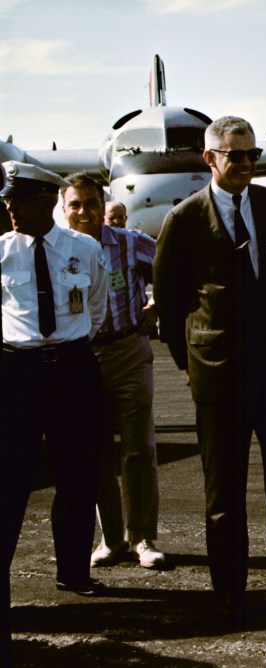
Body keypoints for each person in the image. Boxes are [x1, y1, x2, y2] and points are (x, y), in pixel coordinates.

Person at [153, 116, 266, 623]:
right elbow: (170, 301)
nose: (246, 164)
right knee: (224, 497)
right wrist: (198, 365)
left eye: (253, 156)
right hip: (220, 377)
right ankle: (230, 598)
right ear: (210, 159)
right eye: (235, 156)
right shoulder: (183, 219)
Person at [1, 161, 108, 663]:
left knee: (79, 470)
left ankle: (74, 571)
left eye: (16, 200)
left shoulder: (83, 248)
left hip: (72, 366)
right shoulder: (1, 251)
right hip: (17, 371)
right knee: (11, 477)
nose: (8, 208)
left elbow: (98, 305)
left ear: (45, 200)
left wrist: (70, 346)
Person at [60, 173, 165, 571]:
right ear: (64, 208)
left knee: (138, 448)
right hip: (79, 355)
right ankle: (113, 538)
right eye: (75, 205)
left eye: (90, 203)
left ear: (101, 205)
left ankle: (143, 537)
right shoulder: (57, 248)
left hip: (126, 349)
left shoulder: (129, 242)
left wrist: (158, 307)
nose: (83, 212)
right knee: (95, 451)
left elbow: (169, 270)